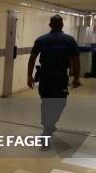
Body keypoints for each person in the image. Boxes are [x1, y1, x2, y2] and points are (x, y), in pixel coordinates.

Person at [27, 14, 81, 150]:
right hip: (60, 77)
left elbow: (32, 58)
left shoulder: (41, 40)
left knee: (46, 102)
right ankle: (48, 128)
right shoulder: (69, 40)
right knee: (60, 103)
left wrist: (29, 76)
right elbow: (76, 60)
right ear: (62, 25)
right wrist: (76, 77)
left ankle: (47, 125)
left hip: (45, 76)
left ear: (50, 25)